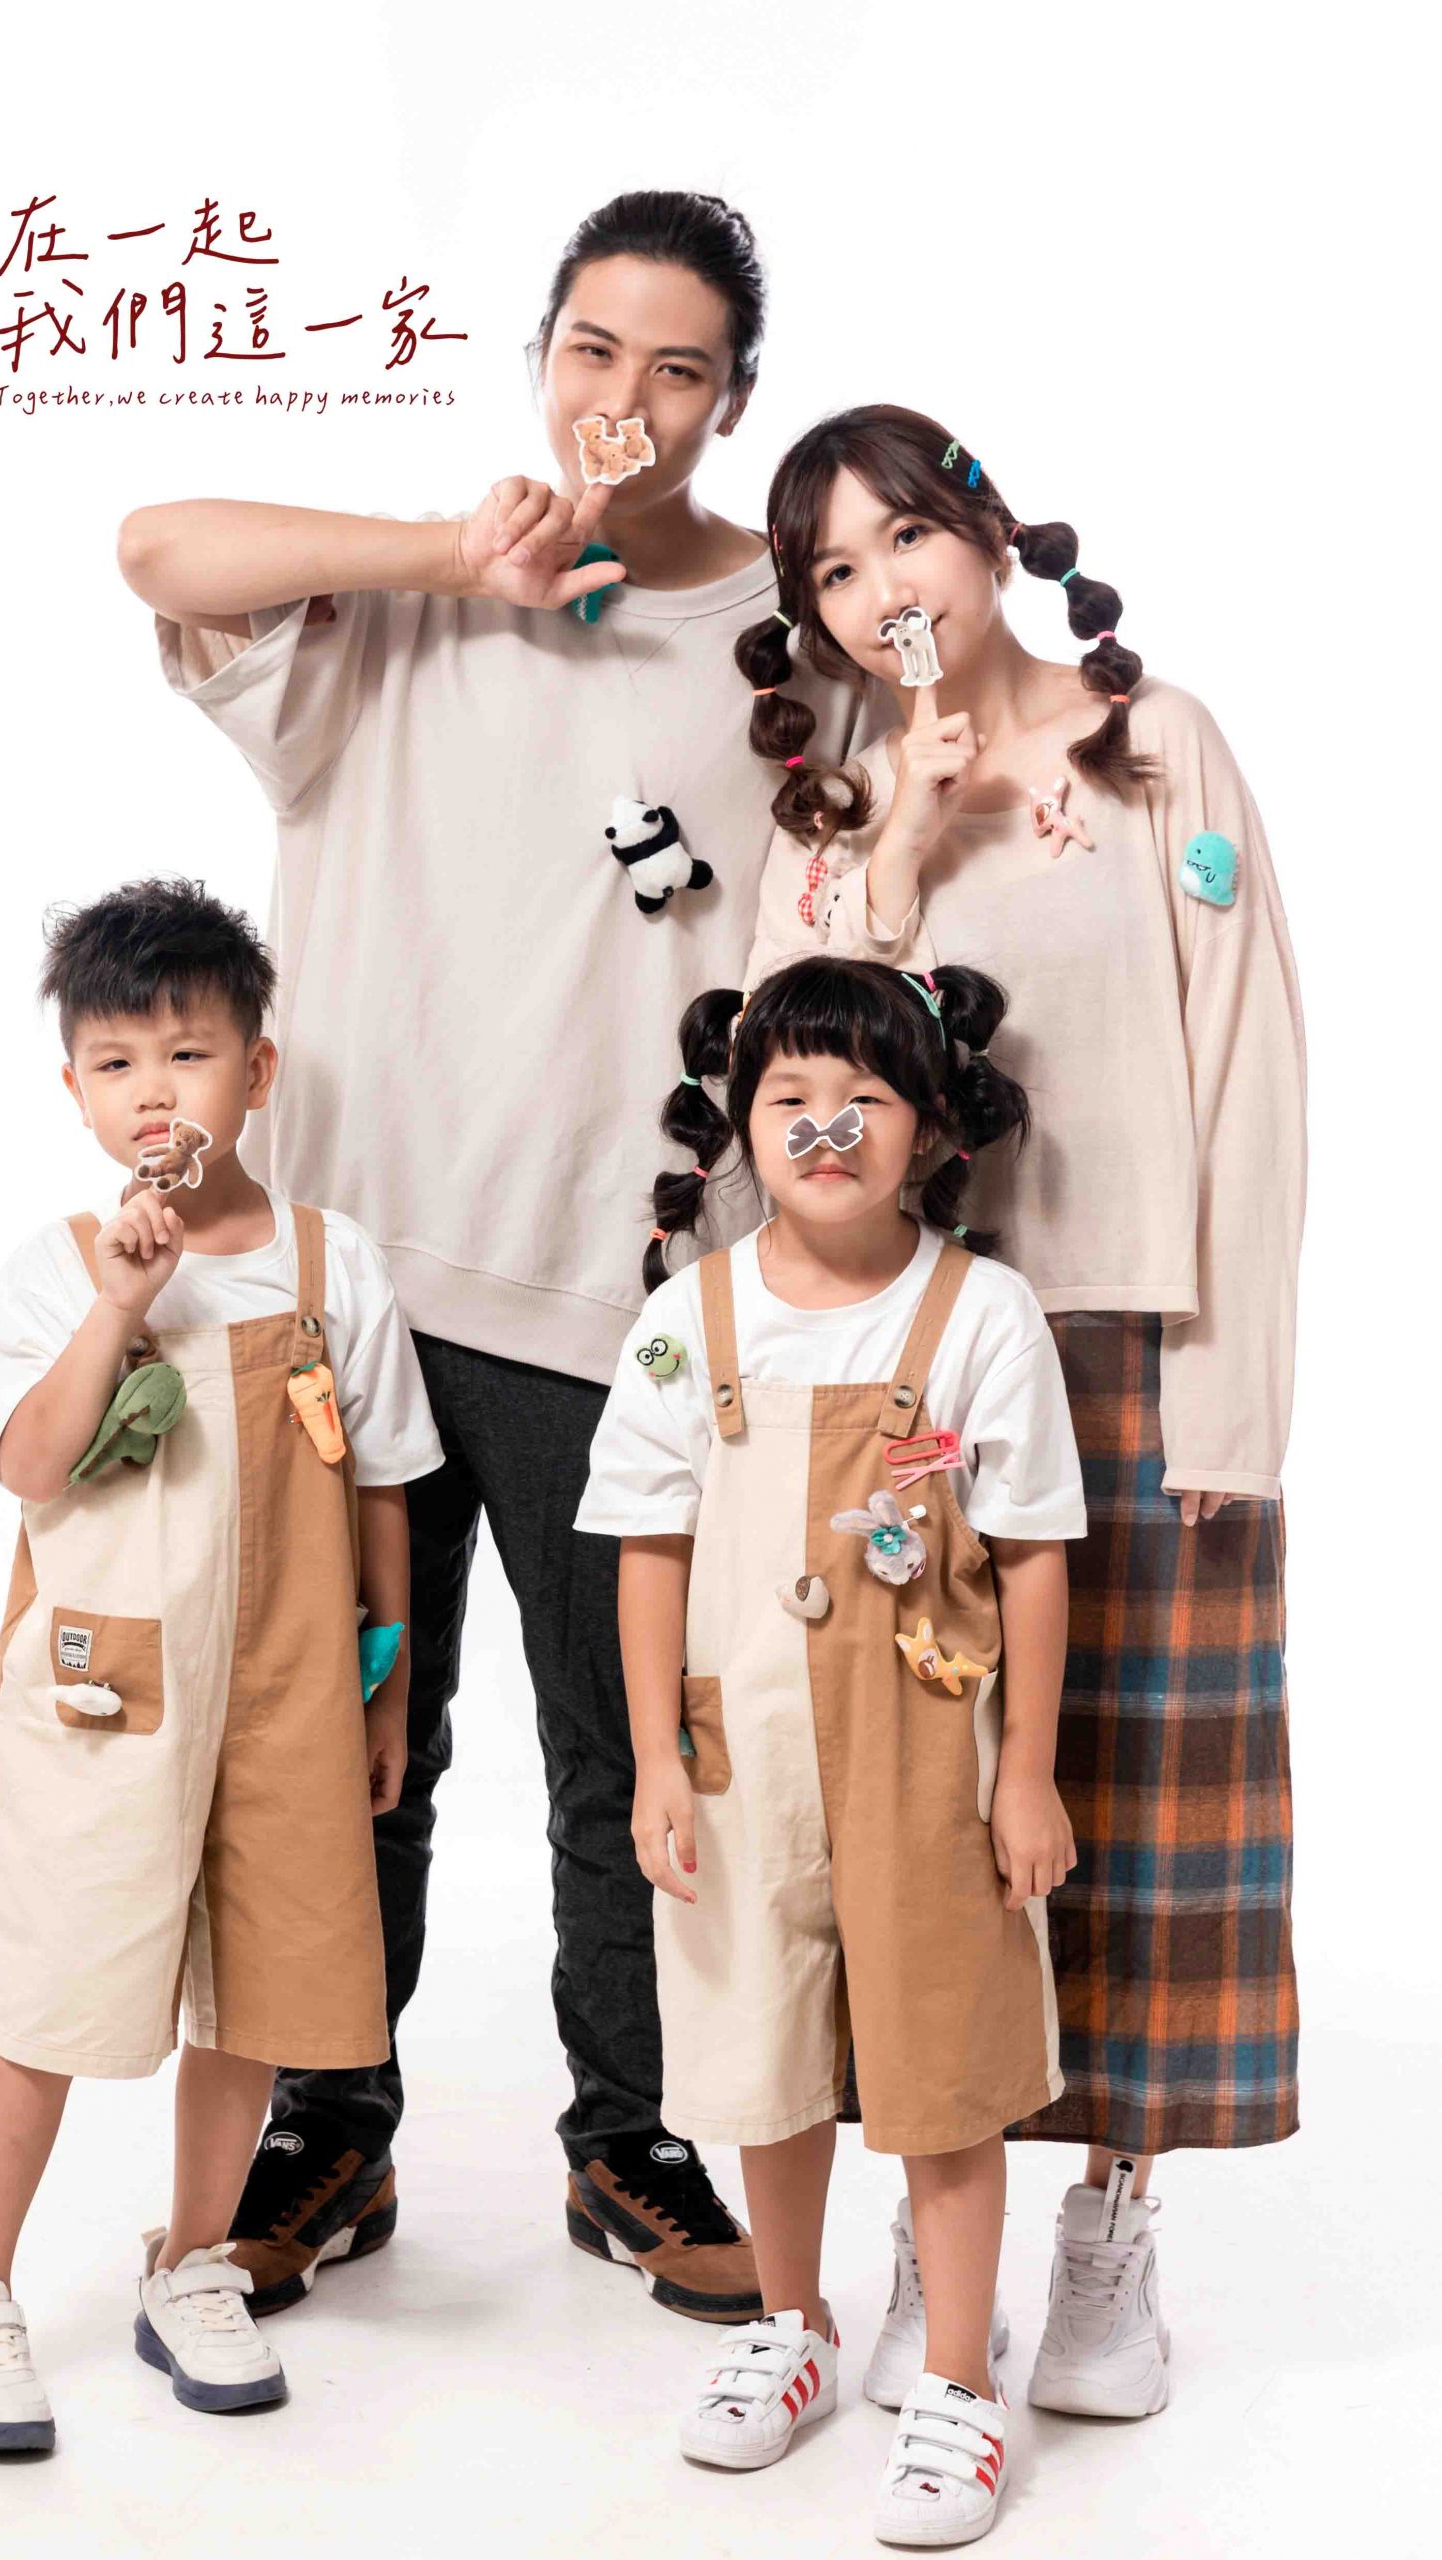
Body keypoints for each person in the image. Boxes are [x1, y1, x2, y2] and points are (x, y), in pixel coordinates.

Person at [117, 191, 874, 2320]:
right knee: (344, 1733)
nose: (626, 399)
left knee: (627, 1747)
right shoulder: (404, 596)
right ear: (542, 352)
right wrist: (454, 559)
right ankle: (329, 2127)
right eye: (593, 349)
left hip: (613, 1289)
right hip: (349, 1287)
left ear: (734, 398)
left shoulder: (791, 646)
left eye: (678, 367)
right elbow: (155, 544)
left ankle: (628, 2134)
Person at [744, 404, 1306, 2417]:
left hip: (1128, 1342)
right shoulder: (830, 821)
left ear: (982, 534)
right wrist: (900, 841)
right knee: (931, 1809)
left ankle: (1110, 2228)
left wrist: (1229, 1399)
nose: (879, 588)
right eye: (832, 569)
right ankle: (941, 2209)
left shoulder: (1156, 748)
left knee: (1131, 1798)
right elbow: (787, 1081)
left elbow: (1249, 1068)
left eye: (903, 536)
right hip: (910, 1354)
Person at [0, 878, 441, 2453]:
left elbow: (383, 1488)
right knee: (57, 1992)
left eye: (190, 1054)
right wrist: (120, 1306)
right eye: (119, 1062)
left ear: (257, 1073)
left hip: (290, 1691)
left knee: (254, 1995)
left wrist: (388, 1688)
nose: (156, 1091)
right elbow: (31, 1464)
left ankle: (195, 2256)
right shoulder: (55, 1268)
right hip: (107, 1698)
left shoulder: (330, 1265)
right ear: (74, 1091)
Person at [578, 955, 1085, 2543]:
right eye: (789, 1096)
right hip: (740, 1753)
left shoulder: (981, 1312)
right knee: (759, 2045)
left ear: (931, 1124)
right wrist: (658, 1760)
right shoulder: (691, 1316)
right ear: (740, 1124)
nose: (826, 1127)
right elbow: (648, 1543)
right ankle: (788, 2327)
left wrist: (1024, 1772)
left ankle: (957, 2380)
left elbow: (1033, 1552)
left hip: (929, 1754)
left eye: (864, 1097)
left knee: (943, 2060)